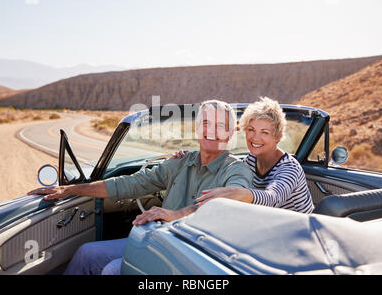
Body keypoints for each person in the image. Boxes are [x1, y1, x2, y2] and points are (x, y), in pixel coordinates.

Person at [27, 99, 253, 275]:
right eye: (206, 123)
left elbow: (230, 201)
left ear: (231, 133)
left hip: (196, 254)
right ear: (197, 128)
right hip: (157, 239)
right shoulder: (180, 162)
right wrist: (72, 189)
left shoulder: (236, 170)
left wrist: (175, 214)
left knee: (114, 270)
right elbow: (131, 183)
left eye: (220, 125)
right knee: (86, 253)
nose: (211, 130)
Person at [175, 97, 314, 214]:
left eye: (264, 132)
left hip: (300, 232)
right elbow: (223, 165)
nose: (255, 138)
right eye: (251, 130)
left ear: (277, 137)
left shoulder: (289, 168)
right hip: (268, 226)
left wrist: (238, 193)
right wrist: (189, 157)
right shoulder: (250, 160)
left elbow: (273, 198)